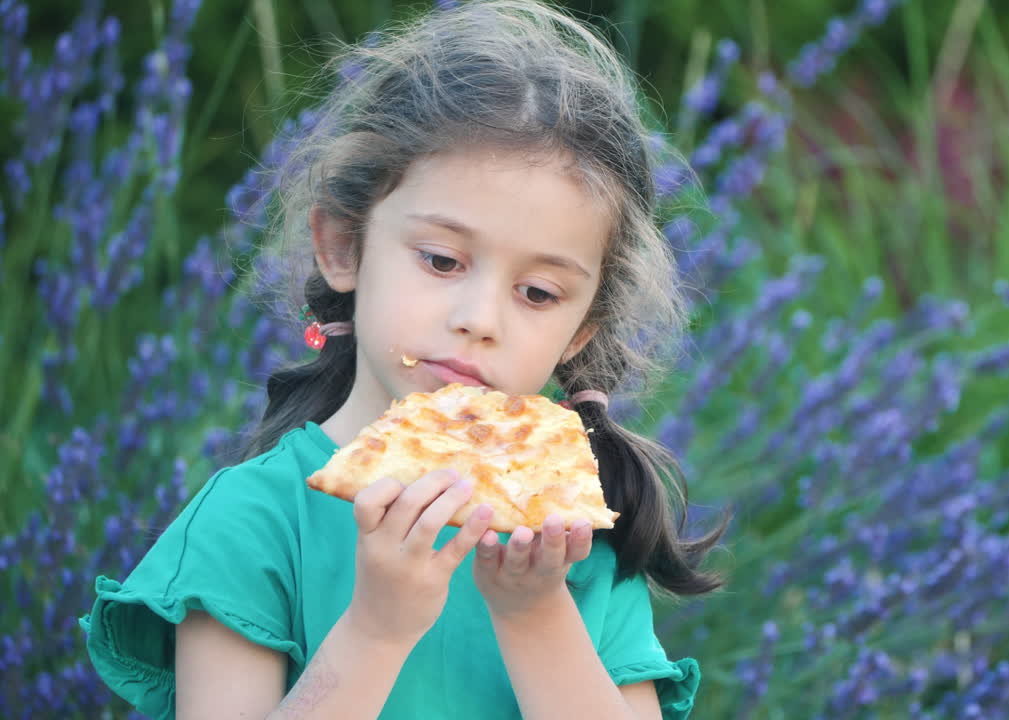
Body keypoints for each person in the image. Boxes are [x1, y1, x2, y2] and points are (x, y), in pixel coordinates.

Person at [79, 1, 729, 717]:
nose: (479, 320)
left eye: (539, 292)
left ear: (581, 331)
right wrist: (375, 631)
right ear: (342, 246)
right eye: (443, 260)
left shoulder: (575, 551)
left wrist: (534, 615)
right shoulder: (252, 523)